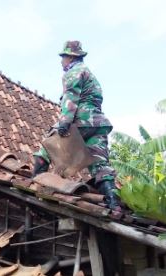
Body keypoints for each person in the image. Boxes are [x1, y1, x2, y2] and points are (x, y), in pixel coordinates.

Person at [33, 41, 120, 211]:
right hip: (98, 124)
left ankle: (34, 181)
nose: (61, 62)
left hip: (81, 120)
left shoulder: (74, 72)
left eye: (63, 57)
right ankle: (113, 203)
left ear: (71, 56)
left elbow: (70, 98)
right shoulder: (91, 76)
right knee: (100, 165)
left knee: (48, 145)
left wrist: (64, 123)